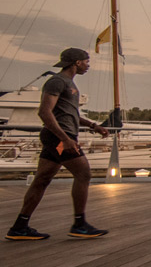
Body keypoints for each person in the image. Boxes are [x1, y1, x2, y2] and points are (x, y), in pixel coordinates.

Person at [6, 48, 110, 240]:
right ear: (77, 62)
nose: (88, 65)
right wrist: (64, 139)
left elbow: (71, 114)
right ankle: (79, 224)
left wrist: (93, 125)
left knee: (42, 179)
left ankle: (19, 227)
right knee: (84, 173)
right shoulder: (57, 81)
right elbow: (45, 112)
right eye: (86, 61)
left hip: (60, 137)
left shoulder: (69, 84)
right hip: (59, 139)